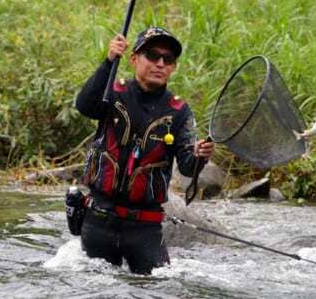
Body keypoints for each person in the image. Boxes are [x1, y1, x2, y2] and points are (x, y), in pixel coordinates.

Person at [75, 27, 215, 275]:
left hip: (145, 227)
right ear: (134, 59)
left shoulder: (179, 111)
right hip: (99, 218)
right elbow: (85, 105)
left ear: (173, 67)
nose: (160, 63)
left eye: (168, 59)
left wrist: (199, 155)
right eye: (152, 55)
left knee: (158, 286)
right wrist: (109, 62)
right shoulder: (113, 93)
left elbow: (187, 166)